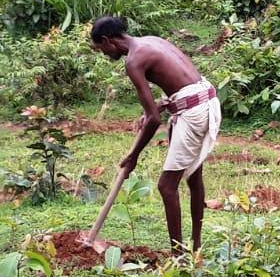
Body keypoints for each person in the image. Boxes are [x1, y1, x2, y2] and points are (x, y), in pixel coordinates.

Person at [90, 16, 221, 252]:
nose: (103, 54)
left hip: (194, 112)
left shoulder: (133, 61)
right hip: (206, 97)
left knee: (166, 186)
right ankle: (196, 246)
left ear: (108, 41)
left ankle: (179, 256)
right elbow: (180, 81)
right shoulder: (150, 41)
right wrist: (160, 105)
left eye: (101, 49)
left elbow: (153, 120)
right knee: (193, 176)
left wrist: (133, 156)